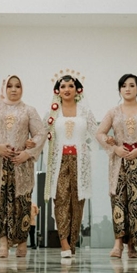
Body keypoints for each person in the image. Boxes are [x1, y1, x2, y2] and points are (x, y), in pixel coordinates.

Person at [0, 75, 45, 258]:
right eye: (10, 86)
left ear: (22, 89)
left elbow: (40, 133)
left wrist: (28, 152)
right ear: (4, 88)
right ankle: (3, 243)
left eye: (17, 86)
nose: (14, 89)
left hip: (20, 164)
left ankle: (22, 242)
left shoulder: (29, 110)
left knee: (22, 203)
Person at [96, 74, 137, 259]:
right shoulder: (113, 112)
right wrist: (114, 148)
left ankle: (133, 244)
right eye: (124, 86)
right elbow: (100, 133)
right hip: (119, 163)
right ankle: (118, 243)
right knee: (119, 200)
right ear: (119, 90)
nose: (127, 89)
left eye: (132, 85)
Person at [44, 72, 98, 259]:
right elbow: (41, 133)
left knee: (77, 202)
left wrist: (111, 142)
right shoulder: (53, 112)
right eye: (63, 86)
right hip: (59, 161)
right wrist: (30, 145)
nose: (67, 89)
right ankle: (64, 243)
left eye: (70, 86)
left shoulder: (85, 112)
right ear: (57, 90)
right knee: (61, 200)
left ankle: (72, 241)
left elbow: (97, 132)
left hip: (80, 161)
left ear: (77, 90)